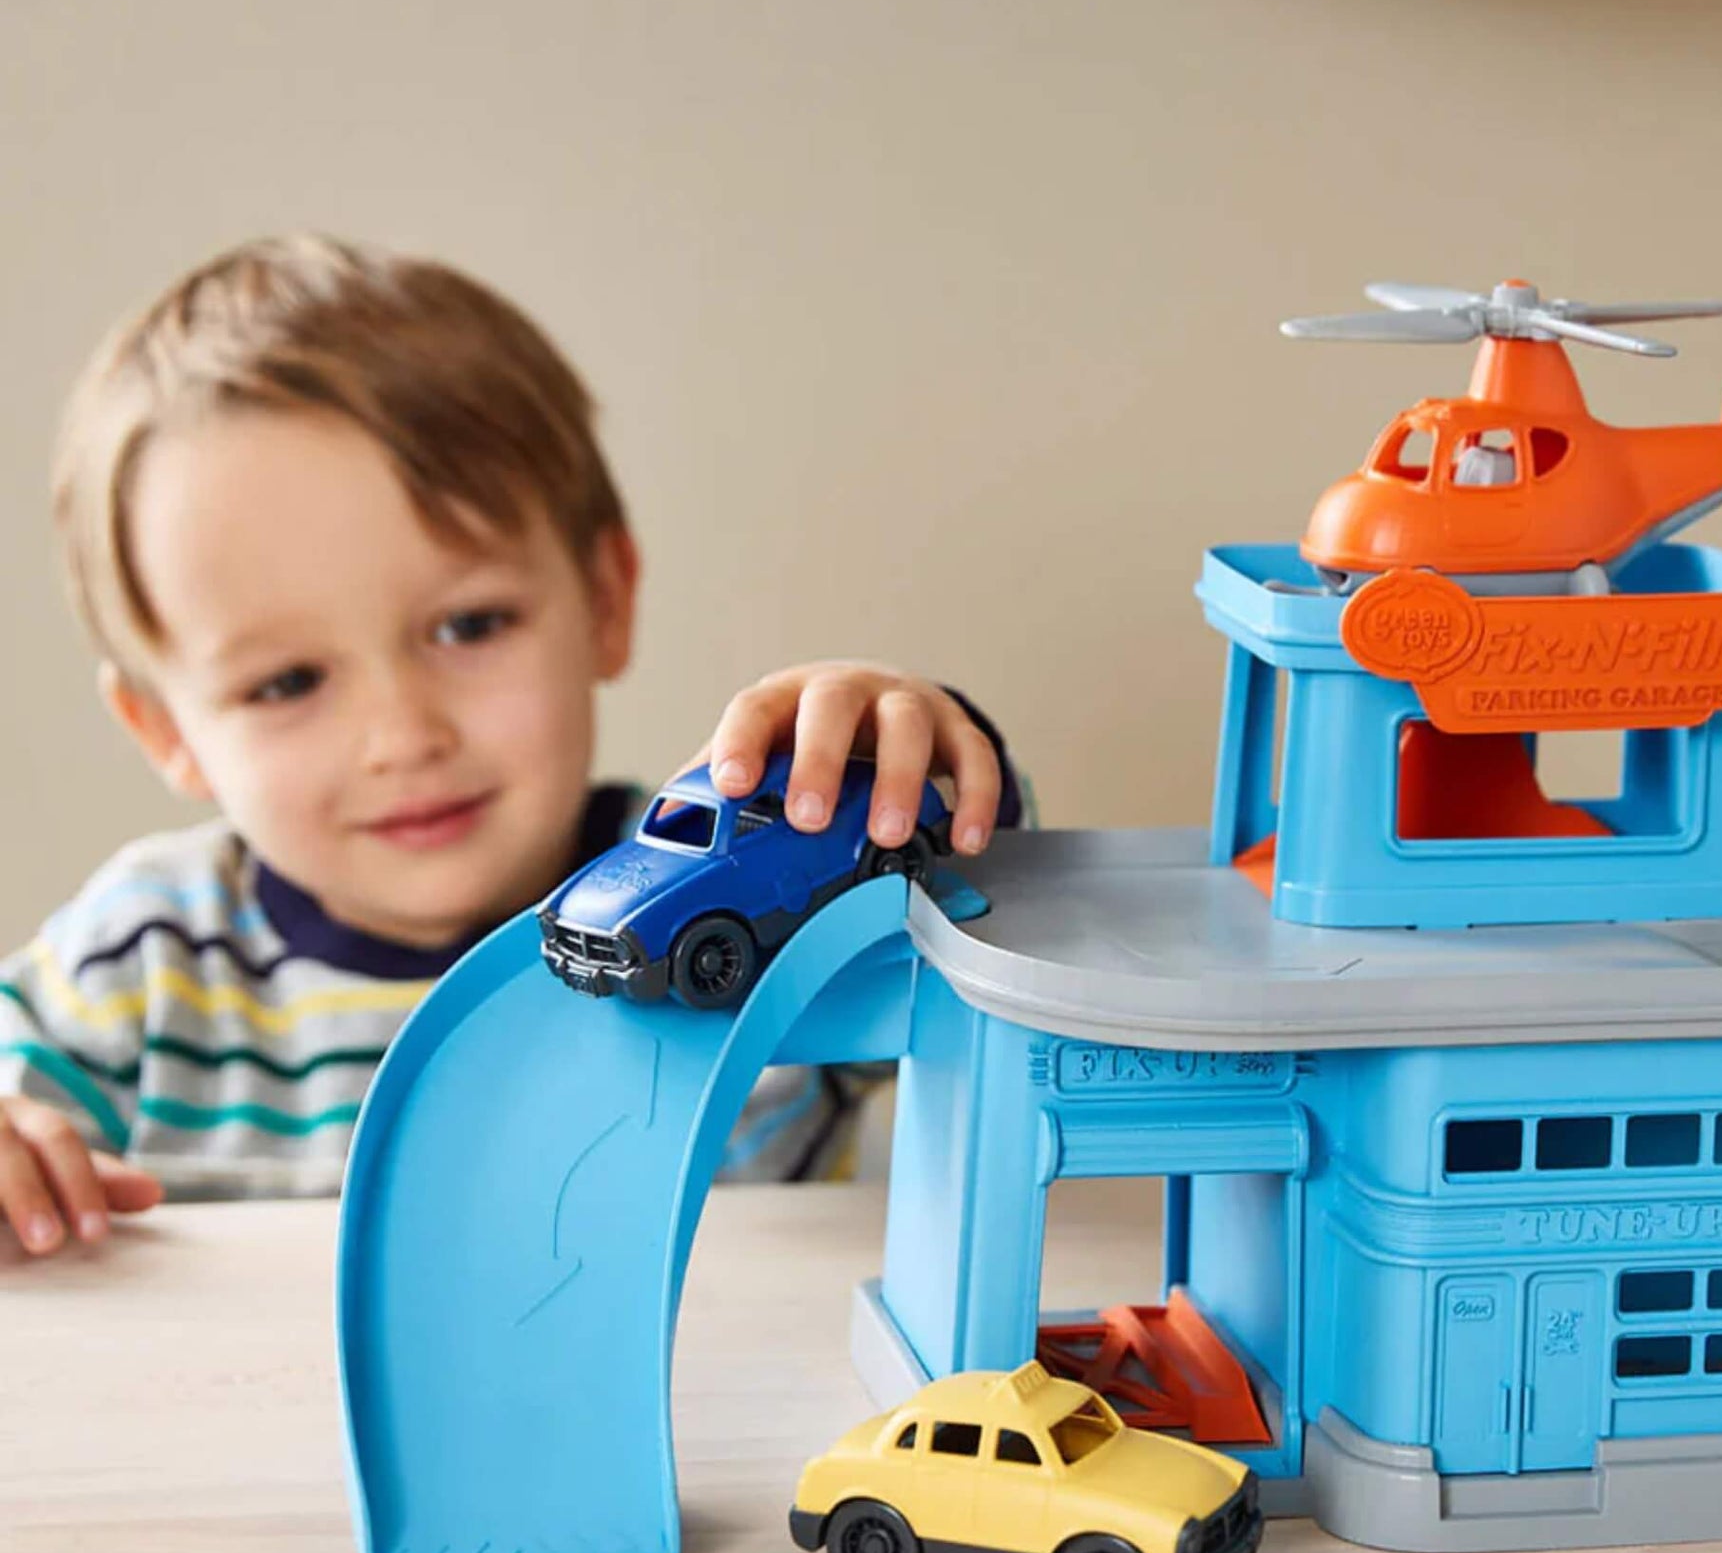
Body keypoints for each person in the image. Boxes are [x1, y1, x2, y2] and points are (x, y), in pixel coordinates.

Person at [0, 235, 1026, 1254]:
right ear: (167, 730)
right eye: (287, 682)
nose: (402, 737)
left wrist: (910, 768)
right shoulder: (132, 965)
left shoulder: (763, 855)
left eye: (468, 626)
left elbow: (1002, 942)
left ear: (604, 597)